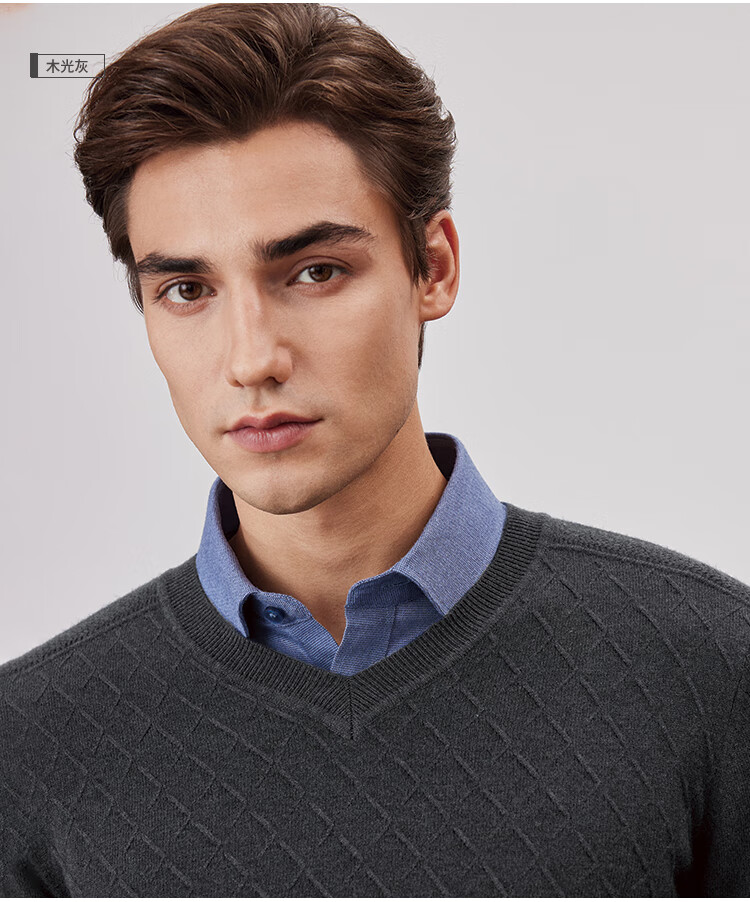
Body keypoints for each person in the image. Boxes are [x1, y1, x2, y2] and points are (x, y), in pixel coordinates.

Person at [1, 3, 748, 896]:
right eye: (188, 289)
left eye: (315, 272)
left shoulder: (710, 665)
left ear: (434, 268)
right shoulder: (29, 742)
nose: (252, 359)